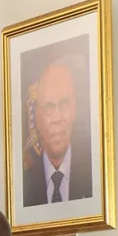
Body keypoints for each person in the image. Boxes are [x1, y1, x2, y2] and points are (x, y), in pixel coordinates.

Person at [22, 62, 92, 207]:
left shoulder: (94, 173)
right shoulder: (25, 185)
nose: (57, 118)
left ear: (74, 108)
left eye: (64, 104)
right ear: (37, 116)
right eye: (49, 107)